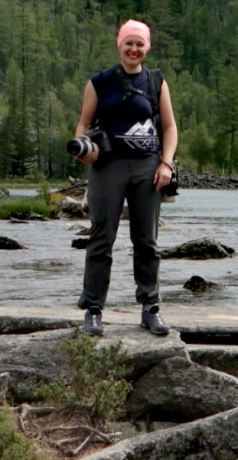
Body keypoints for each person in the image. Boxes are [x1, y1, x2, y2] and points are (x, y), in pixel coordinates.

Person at [74, 19, 178, 336]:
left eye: (139, 44)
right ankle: (93, 310)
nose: (134, 49)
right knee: (101, 238)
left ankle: (150, 309)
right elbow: (84, 124)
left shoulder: (156, 81)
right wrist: (83, 149)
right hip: (107, 167)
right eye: (128, 43)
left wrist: (166, 164)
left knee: (146, 241)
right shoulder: (99, 82)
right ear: (119, 45)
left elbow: (169, 127)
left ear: (147, 47)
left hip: (148, 167)